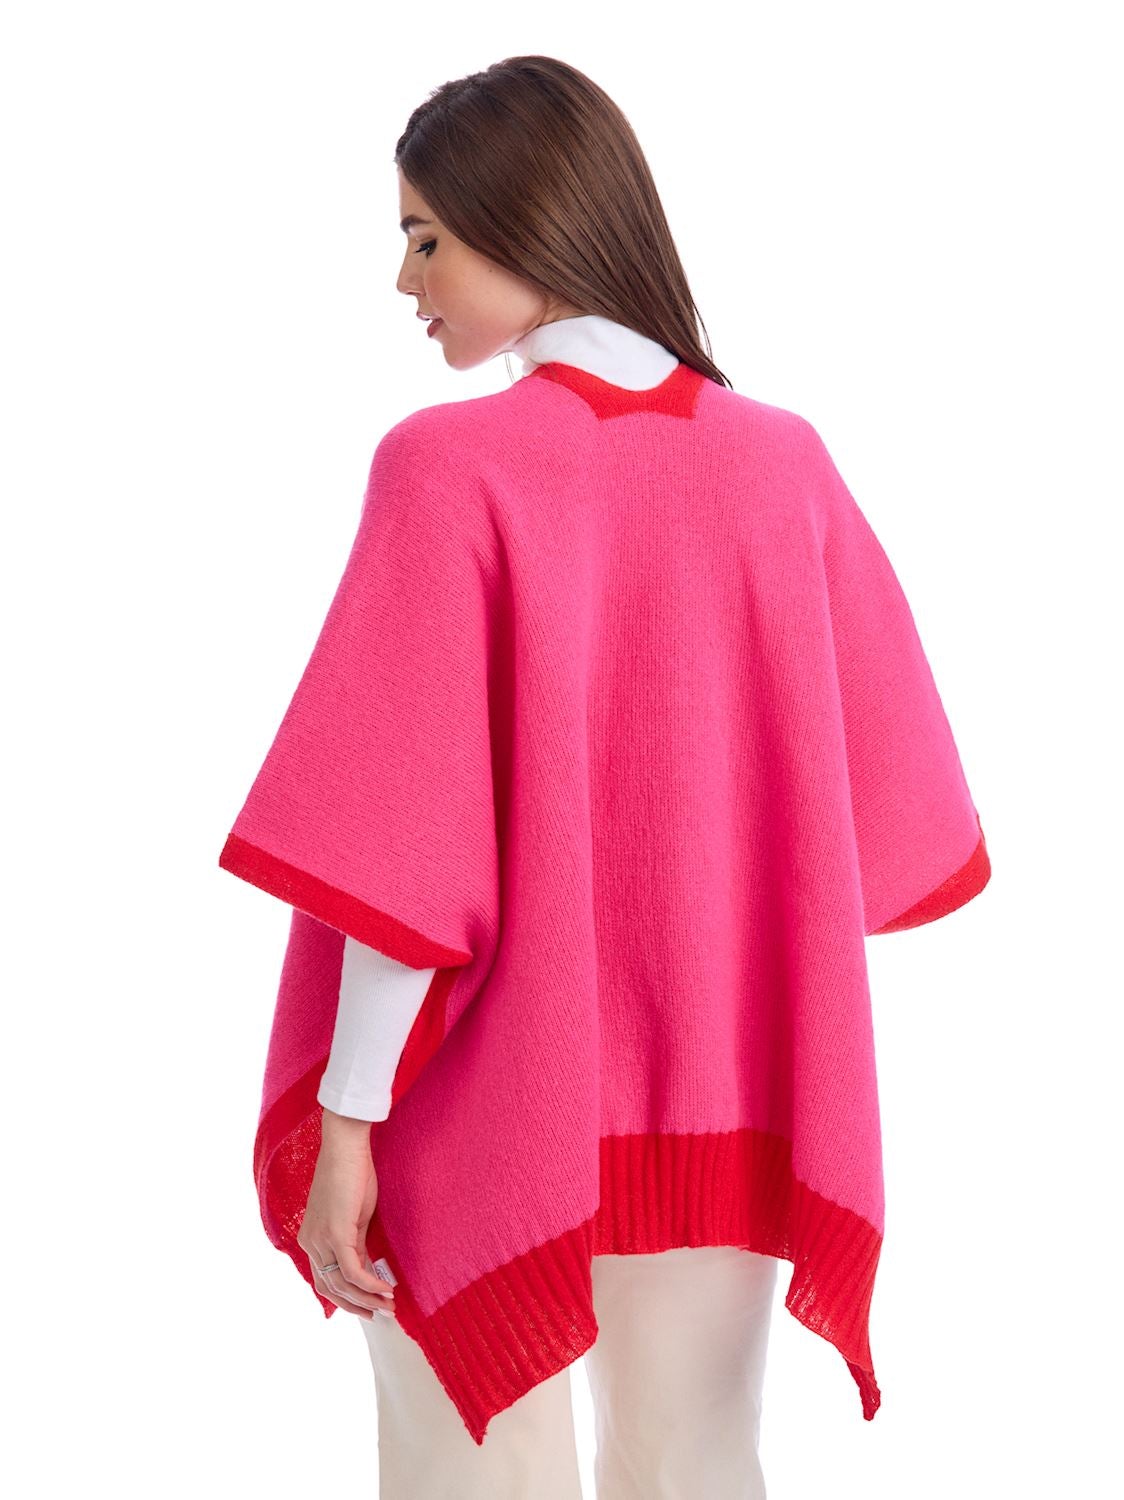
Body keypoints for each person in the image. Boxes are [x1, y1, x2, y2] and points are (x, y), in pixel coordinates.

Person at [218, 55, 991, 1500]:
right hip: (727, 1088)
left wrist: (347, 1121)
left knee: (467, 1475)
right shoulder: (783, 466)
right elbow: (864, 811)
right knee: (699, 1463)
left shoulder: (448, 469)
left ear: (527, 218)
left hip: (482, 1098)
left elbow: (402, 861)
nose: (404, 281)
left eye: (427, 238)